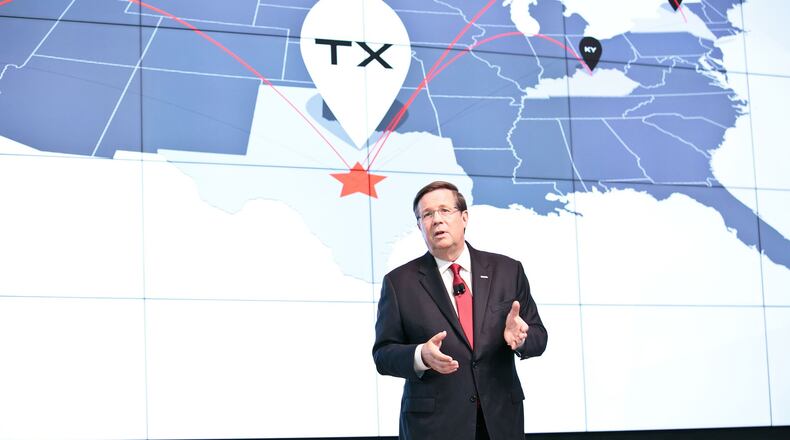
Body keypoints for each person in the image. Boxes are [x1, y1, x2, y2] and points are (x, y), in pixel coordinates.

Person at [373, 181, 547, 440]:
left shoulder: (508, 271)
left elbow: (538, 337)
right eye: (427, 215)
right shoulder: (399, 283)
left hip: (499, 421)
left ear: (464, 217)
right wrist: (421, 355)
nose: (437, 220)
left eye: (445, 210)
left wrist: (521, 340)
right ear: (420, 225)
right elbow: (383, 354)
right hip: (434, 427)